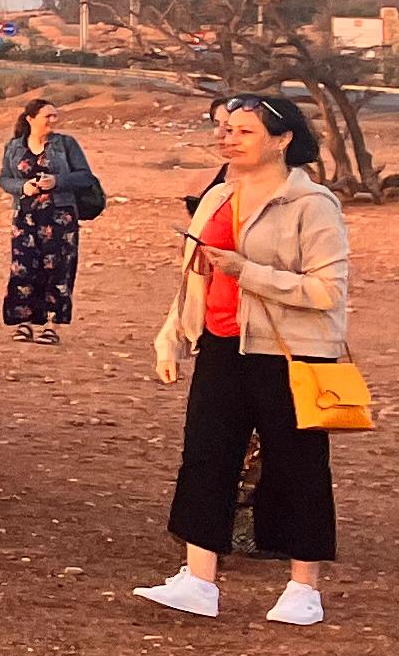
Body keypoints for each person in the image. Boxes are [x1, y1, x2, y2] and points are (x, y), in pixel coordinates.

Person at [141, 92, 349, 625]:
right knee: (206, 458)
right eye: (225, 128)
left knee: (297, 466)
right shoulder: (216, 198)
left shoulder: (313, 203)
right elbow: (193, 276)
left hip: (290, 352)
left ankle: (304, 590)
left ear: (282, 140)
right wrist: (174, 333)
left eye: (244, 130)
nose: (227, 137)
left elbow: (327, 290)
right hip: (221, 344)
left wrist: (246, 272)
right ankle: (198, 579)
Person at [0, 92, 103, 341]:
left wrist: (57, 181)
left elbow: (85, 176)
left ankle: (52, 325)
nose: (53, 120)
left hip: (60, 217)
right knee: (23, 268)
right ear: (30, 119)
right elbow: (4, 178)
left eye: (55, 115)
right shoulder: (14, 147)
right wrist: (22, 187)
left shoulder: (65, 144)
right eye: (48, 116)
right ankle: (23, 323)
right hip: (25, 217)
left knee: (58, 269)